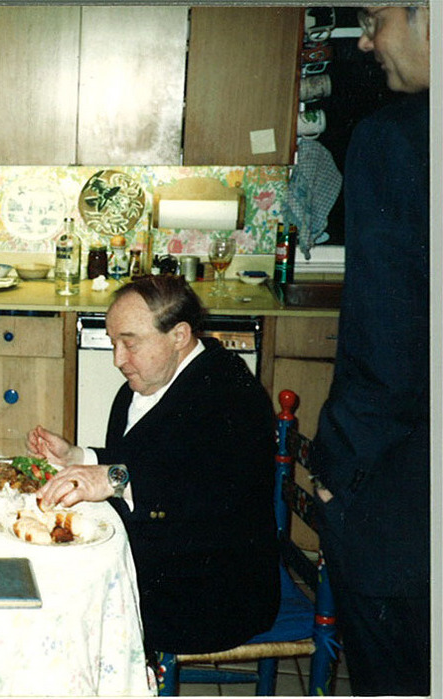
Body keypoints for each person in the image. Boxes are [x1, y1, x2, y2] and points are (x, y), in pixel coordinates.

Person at [29, 275, 279, 655]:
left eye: (130, 343)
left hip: (211, 591)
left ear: (179, 336)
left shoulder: (229, 394)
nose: (118, 359)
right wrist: (78, 457)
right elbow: (145, 459)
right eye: (114, 343)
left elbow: (202, 488)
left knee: (61, 605)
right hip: (164, 563)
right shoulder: (144, 384)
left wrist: (112, 478)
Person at [309, 6, 431, 694]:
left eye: (374, 18)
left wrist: (338, 472)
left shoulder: (396, 141)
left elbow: (386, 344)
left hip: (404, 497)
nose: (365, 41)